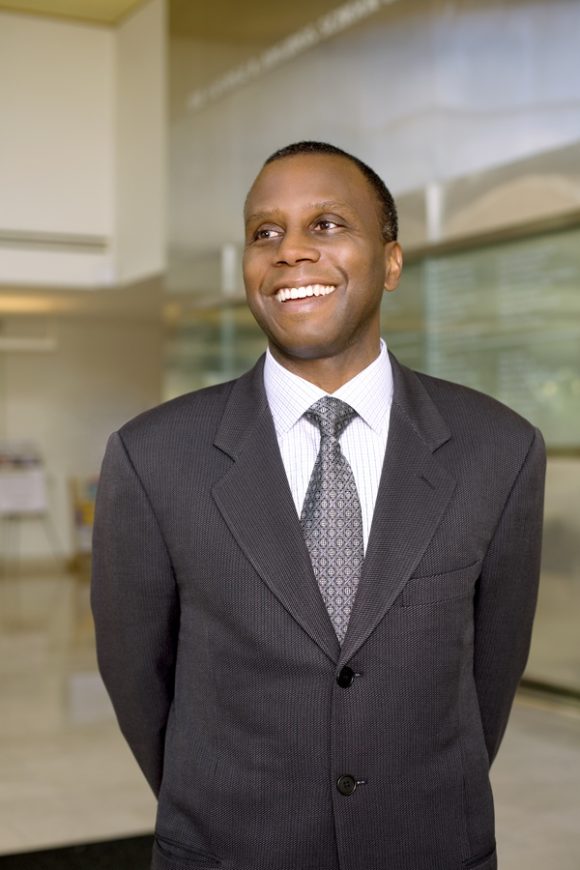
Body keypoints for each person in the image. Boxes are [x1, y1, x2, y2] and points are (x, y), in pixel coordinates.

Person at [91, 141, 546, 870]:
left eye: (328, 225)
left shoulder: (500, 449)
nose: (291, 252)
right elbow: (137, 676)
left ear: (391, 263)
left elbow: (490, 673)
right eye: (265, 233)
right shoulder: (153, 457)